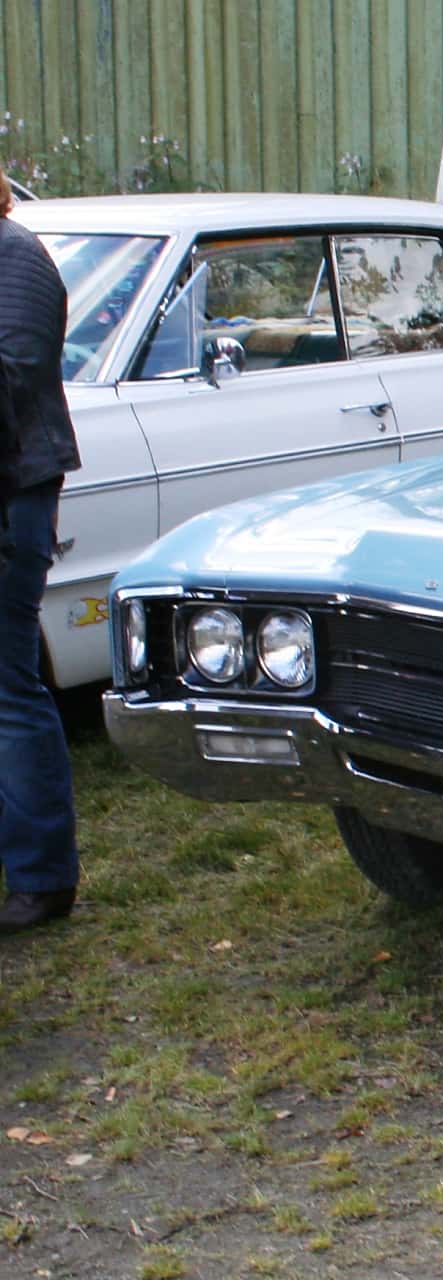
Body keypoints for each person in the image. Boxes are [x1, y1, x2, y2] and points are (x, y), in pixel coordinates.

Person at [0, 173, 81, 935]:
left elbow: (15, 374)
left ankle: (41, 876)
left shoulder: (14, 254)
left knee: (7, 687)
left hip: (11, 491)